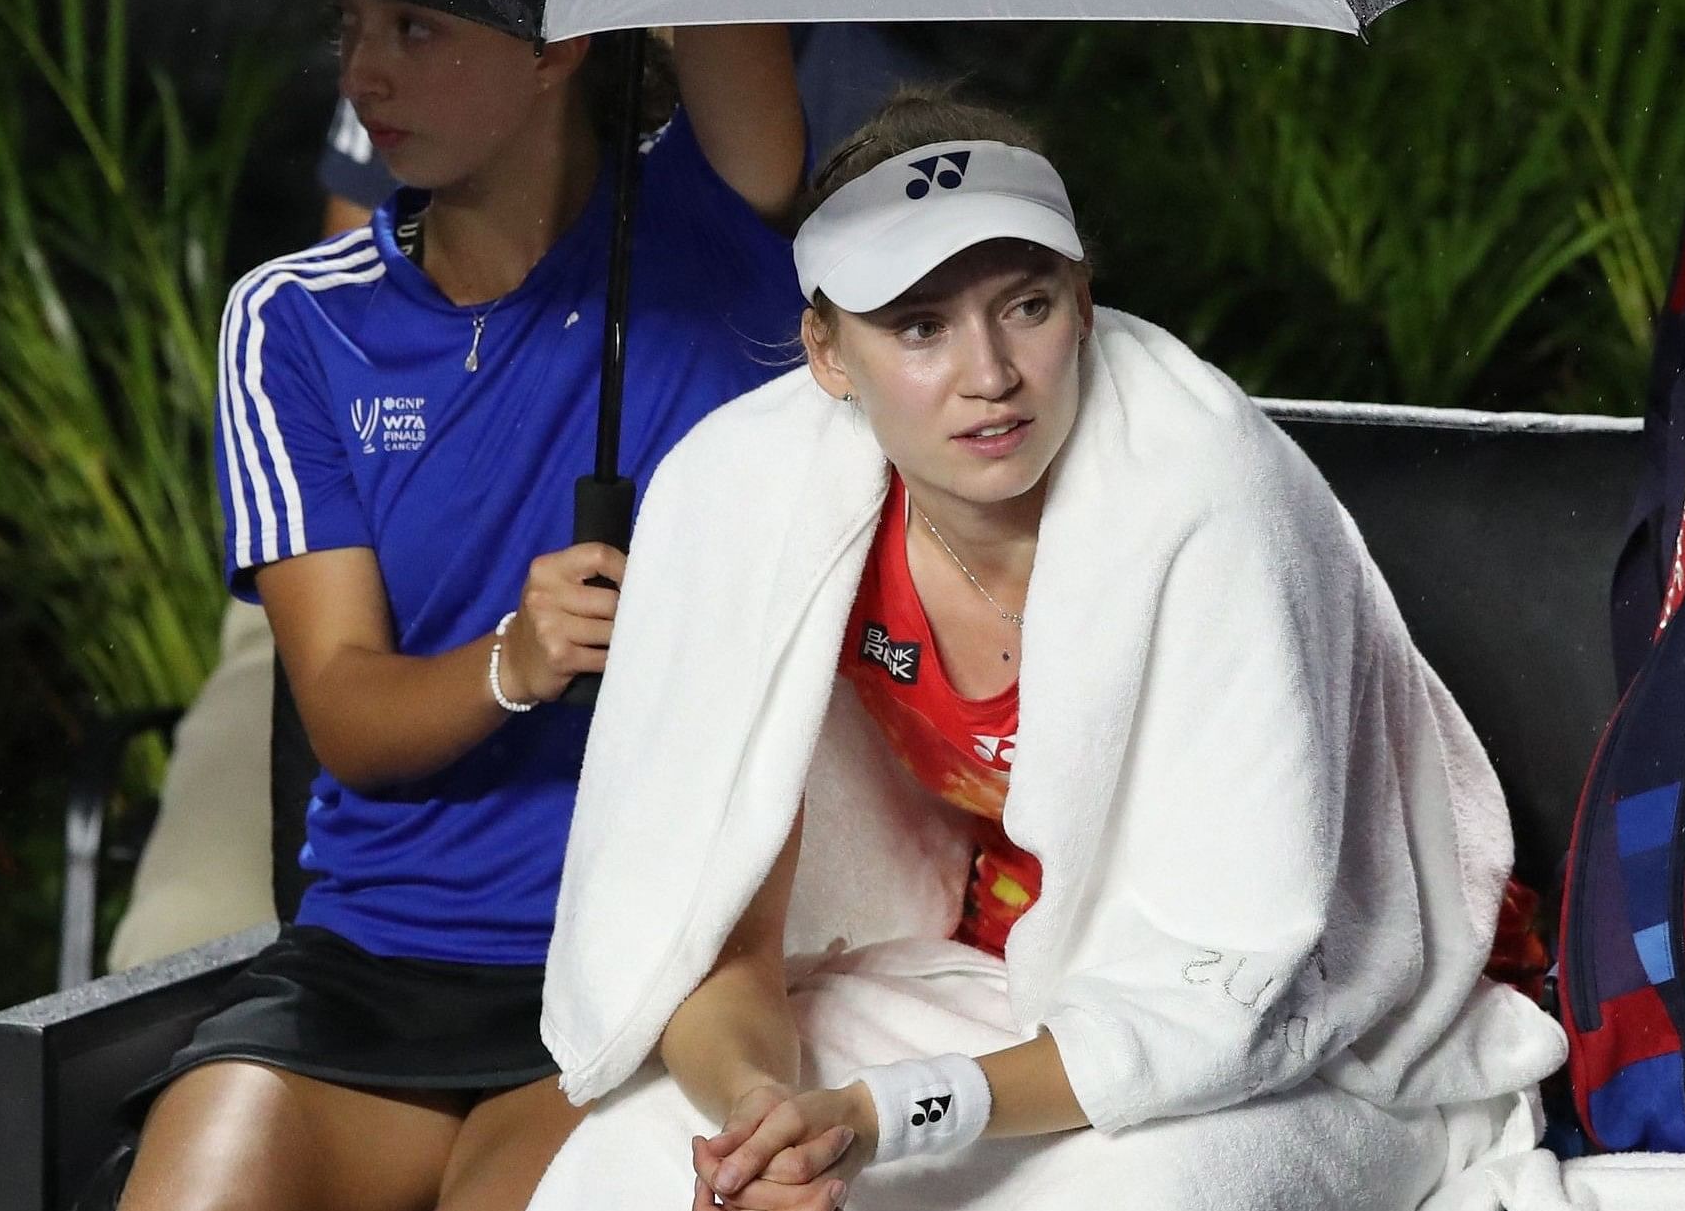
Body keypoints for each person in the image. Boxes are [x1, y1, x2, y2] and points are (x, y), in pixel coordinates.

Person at [527, 91, 1566, 1210]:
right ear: (827, 351)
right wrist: (760, 1127)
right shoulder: (745, 495)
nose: (989, 373)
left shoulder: (1209, 493)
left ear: (1081, 298)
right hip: (999, 975)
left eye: (1023, 304)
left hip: (1325, 1035)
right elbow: (716, 944)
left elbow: (1237, 996)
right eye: (918, 326)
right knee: (627, 1156)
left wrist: (888, 1113)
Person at [116, 0, 809, 1211]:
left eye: (417, 29)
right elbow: (344, 713)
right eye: (350, 28)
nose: (365, 74)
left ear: (560, 43)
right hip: (364, 963)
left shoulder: (708, 225)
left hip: (627, 973)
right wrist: (513, 658)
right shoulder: (292, 320)